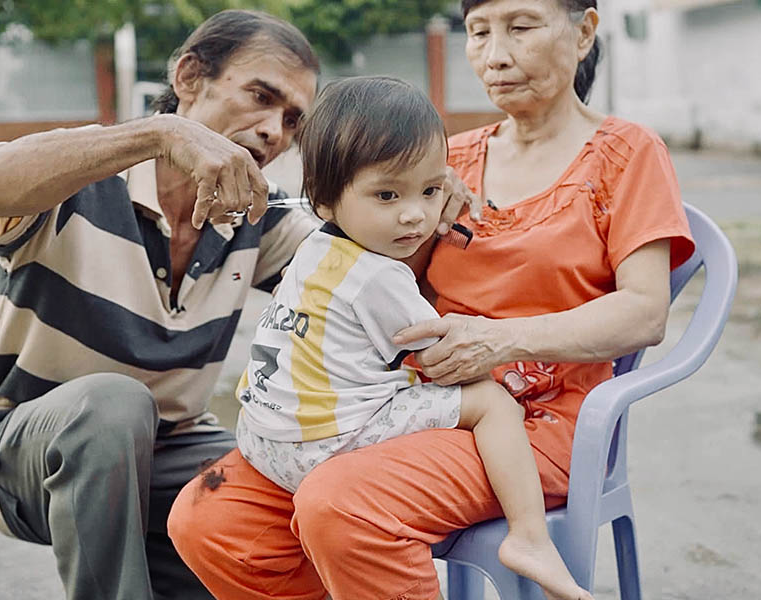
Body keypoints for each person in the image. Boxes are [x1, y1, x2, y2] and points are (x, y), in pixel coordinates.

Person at [168, 0, 697, 598]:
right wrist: (422, 208)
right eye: (478, 32)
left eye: (520, 27)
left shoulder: (626, 153)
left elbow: (645, 312)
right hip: (407, 399)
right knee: (211, 521)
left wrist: (499, 340)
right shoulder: (438, 157)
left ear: (584, 32)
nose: (496, 55)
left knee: (343, 503)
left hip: (537, 422)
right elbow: (374, 280)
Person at [0, 10, 323, 600]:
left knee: (283, 490)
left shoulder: (256, 215)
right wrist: (158, 135)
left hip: (170, 451)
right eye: (261, 96)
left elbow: (365, 269)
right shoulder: (79, 182)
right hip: (21, 455)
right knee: (114, 405)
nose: (275, 130)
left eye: (292, 119)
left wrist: (423, 190)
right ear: (189, 77)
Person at [220, 75, 594, 600]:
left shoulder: (312, 253)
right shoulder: (379, 278)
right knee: (491, 402)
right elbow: (444, 358)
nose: (415, 214)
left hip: (262, 441)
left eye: (431, 190)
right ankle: (530, 537)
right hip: (326, 444)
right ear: (324, 201)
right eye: (387, 195)